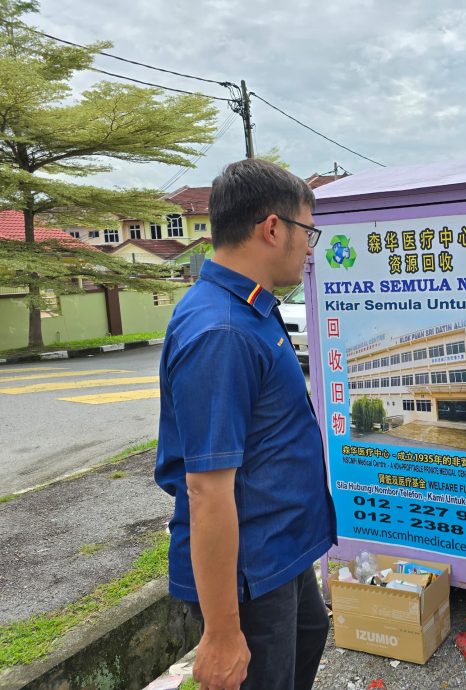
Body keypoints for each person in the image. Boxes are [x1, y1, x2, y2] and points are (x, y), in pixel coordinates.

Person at [155, 158, 337, 690]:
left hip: (280, 552)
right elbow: (206, 490)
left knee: (309, 635)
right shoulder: (223, 331)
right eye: (308, 231)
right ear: (272, 227)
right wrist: (222, 633)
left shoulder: (251, 308)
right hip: (249, 573)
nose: (310, 246)